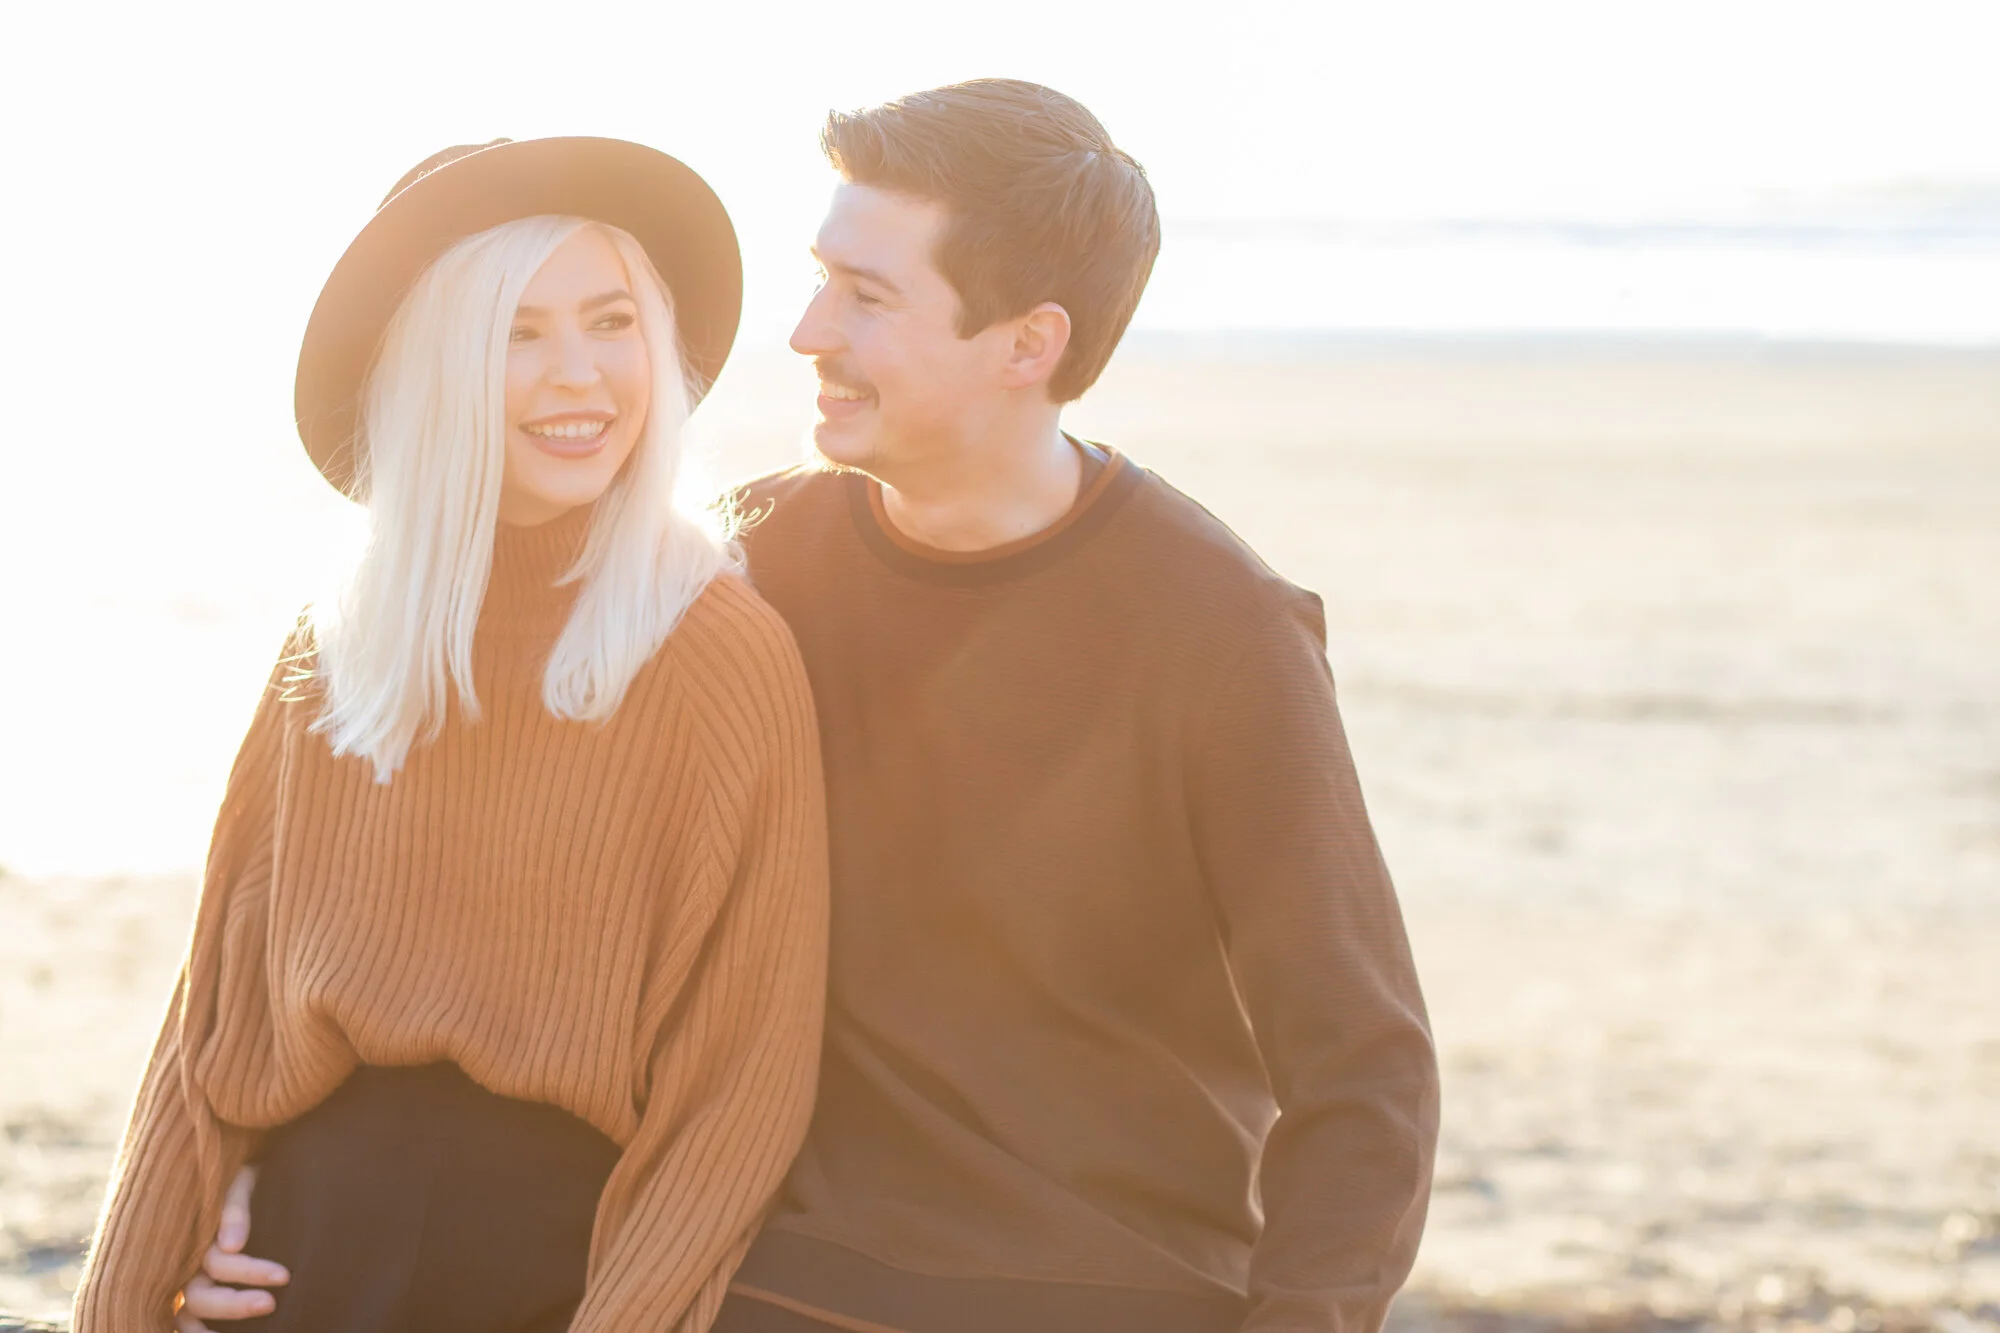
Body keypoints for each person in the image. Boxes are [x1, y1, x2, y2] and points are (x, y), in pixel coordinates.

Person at [182, 80, 1439, 1333]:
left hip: (1109, 1286)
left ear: (1025, 345)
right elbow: (459, 888)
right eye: (819, 277)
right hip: (784, 1276)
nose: (802, 332)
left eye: (865, 298)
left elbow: (1363, 1067)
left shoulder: (1220, 632)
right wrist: (276, 1176)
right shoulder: (743, 564)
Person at [73, 137, 829, 1333]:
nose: (579, 376)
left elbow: (736, 1093)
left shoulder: (717, 651)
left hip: (551, 1276)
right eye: (516, 333)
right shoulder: (344, 637)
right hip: (292, 1267)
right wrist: (126, 1301)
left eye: (611, 321)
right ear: (434, 367)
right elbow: (212, 1026)